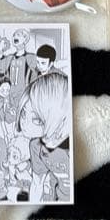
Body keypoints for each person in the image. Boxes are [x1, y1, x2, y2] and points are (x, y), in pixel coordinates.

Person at [17, 71, 72, 202]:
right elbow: (37, 184)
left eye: (36, 119)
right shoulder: (36, 146)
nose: (24, 122)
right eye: (23, 113)